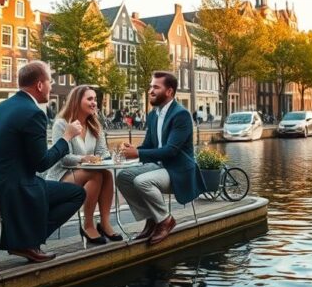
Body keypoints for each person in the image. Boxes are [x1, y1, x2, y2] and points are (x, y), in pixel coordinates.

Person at [0, 60, 85, 269]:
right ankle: (12, 241)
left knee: (50, 190)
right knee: (76, 194)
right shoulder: (33, 113)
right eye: (50, 81)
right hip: (11, 193)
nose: (51, 86)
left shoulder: (0, 107)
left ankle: (14, 240)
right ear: (40, 85)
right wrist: (66, 138)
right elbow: (42, 164)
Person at [117, 71, 208, 246]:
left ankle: (166, 220)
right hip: (159, 168)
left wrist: (138, 154)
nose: (150, 90)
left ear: (169, 92)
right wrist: (134, 150)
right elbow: (150, 146)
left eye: (156, 87)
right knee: (122, 177)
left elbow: (171, 151)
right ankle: (152, 219)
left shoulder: (181, 115)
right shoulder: (152, 115)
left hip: (178, 171)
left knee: (142, 182)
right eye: (151, 86)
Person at [44, 85, 123, 245]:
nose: (94, 102)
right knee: (95, 175)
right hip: (61, 175)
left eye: (95, 99)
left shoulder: (95, 124)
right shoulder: (61, 124)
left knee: (106, 173)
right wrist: (84, 159)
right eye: (89, 99)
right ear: (77, 101)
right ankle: (87, 225)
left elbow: (102, 152)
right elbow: (63, 158)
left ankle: (105, 223)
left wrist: (109, 157)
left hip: (86, 171)